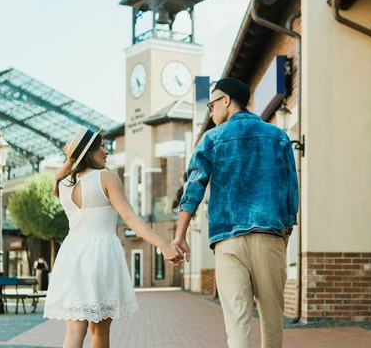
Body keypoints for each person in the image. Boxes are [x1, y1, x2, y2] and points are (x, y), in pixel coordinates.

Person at [173, 77, 299, 348]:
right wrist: (285, 231)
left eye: (212, 104)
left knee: (237, 325)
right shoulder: (278, 136)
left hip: (228, 242)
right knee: (272, 324)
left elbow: (193, 188)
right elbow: (291, 188)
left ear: (226, 100)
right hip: (270, 237)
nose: (211, 111)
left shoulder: (212, 139)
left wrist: (180, 235)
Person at [44, 126, 182, 348]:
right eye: (101, 147)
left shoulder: (63, 185)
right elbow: (129, 217)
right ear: (89, 152)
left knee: (73, 332)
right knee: (99, 332)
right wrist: (163, 244)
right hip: (100, 255)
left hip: (71, 256)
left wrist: (70, 159)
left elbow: (62, 173)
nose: (106, 152)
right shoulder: (106, 178)